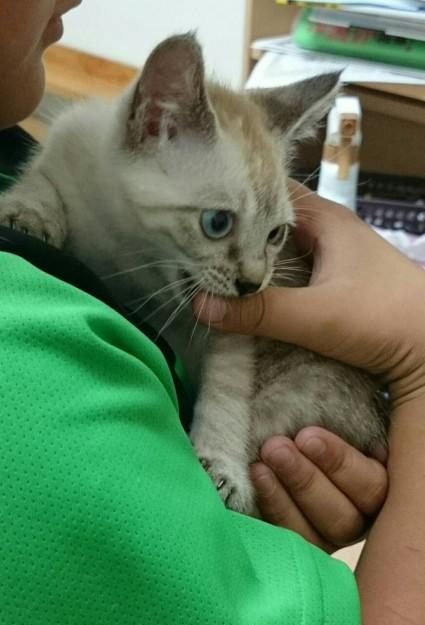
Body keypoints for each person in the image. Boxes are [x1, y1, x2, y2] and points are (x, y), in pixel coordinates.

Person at [0, 2, 419, 624]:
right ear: (153, 121)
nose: (252, 276)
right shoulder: (26, 373)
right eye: (218, 224)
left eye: (274, 236)